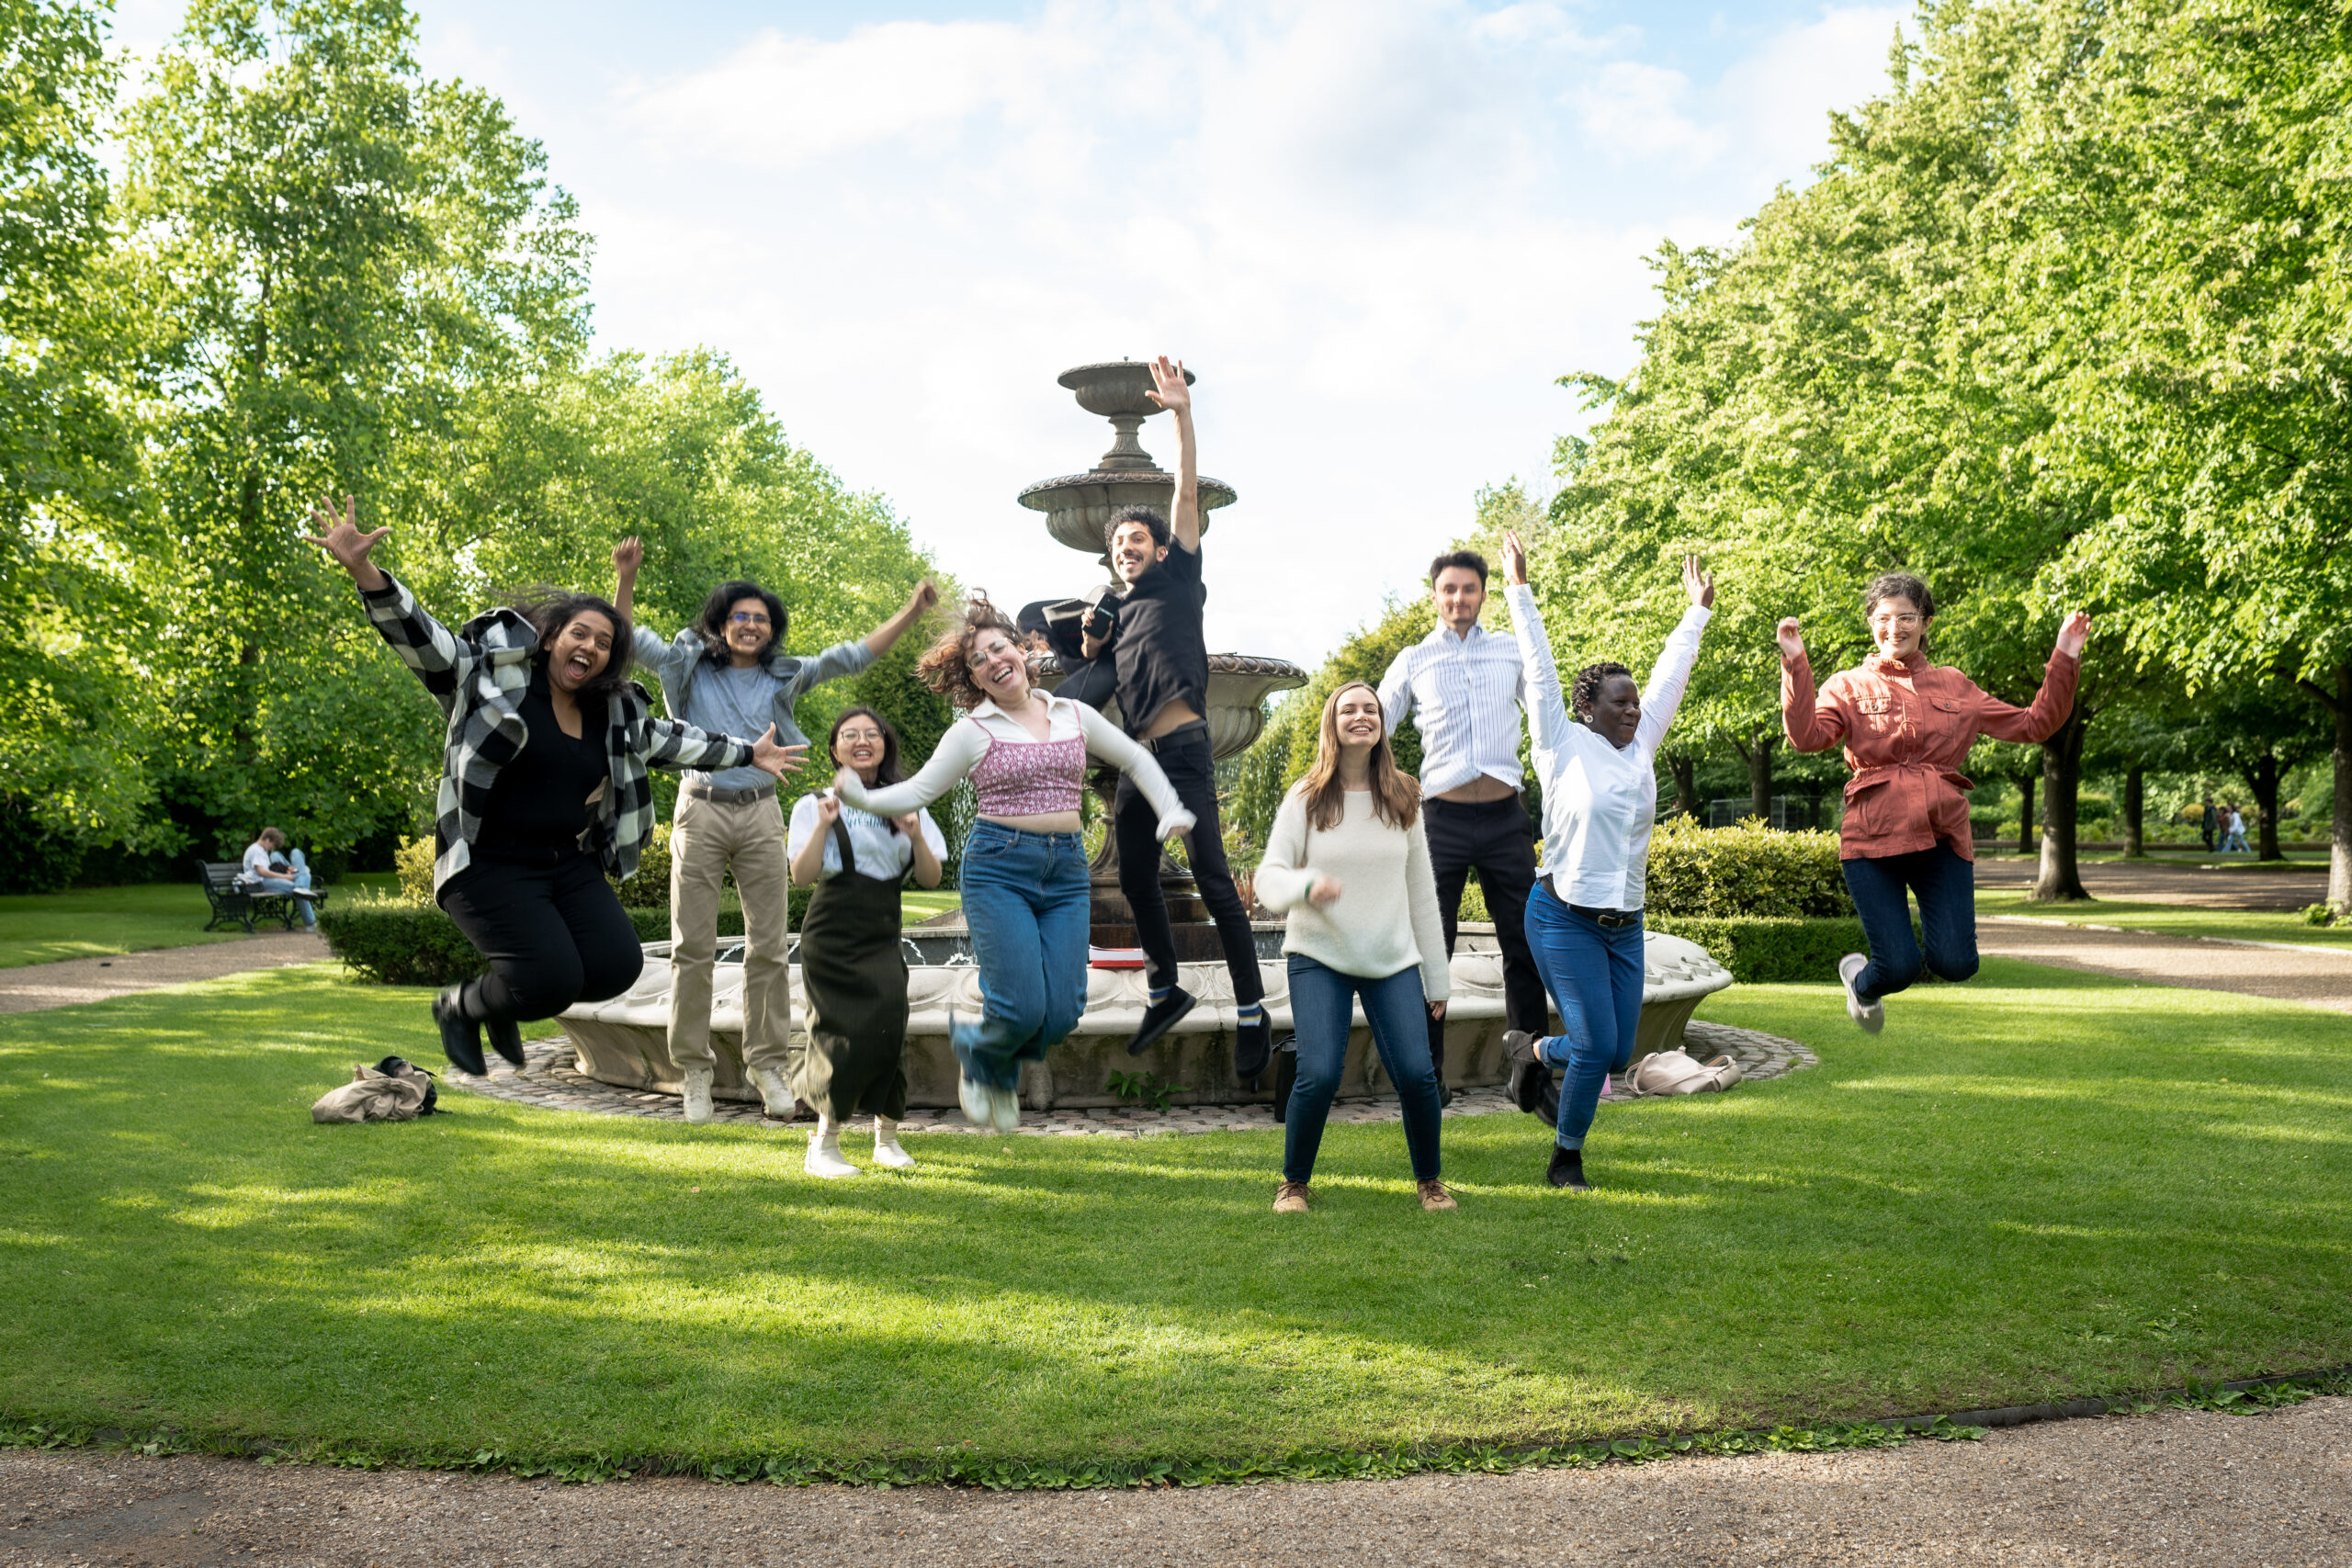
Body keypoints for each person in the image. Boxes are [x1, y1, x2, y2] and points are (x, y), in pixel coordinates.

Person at [301, 497, 800, 1077]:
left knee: (615, 967)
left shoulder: (611, 713)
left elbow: (675, 740)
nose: (590, 648)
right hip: (488, 863)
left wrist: (749, 752)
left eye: (604, 643)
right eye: (579, 634)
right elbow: (426, 641)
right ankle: (462, 1007)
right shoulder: (488, 681)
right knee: (548, 979)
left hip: (567, 864)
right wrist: (366, 572)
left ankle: (510, 998)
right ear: (549, 639)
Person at [836, 594, 1194, 1134]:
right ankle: (985, 1063)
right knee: (1023, 1006)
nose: (993, 661)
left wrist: (1169, 807)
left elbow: (1137, 757)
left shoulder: (1074, 713)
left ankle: (989, 1057)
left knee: (1066, 1010)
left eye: (998, 648)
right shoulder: (971, 731)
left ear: (1022, 650)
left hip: (1068, 872)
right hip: (998, 869)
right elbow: (918, 791)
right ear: (976, 680)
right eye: (978, 661)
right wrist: (861, 799)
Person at [613, 540, 936, 1125]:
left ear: (771, 630)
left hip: (761, 809)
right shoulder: (685, 664)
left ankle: (766, 1065)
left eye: (761, 620)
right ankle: (694, 1068)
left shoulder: (784, 675)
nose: (751, 626)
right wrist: (626, 578)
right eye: (741, 617)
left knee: (767, 946)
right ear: (720, 622)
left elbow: (852, 657)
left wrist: (911, 613)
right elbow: (625, 642)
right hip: (701, 806)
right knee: (692, 947)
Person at [1498, 535, 1714, 1192]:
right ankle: (1567, 1156)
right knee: (1595, 1046)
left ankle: (1530, 1051)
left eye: (1635, 703)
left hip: (1624, 924)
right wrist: (1519, 589)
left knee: (1616, 1051)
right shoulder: (1560, 745)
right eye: (1619, 703)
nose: (1633, 710)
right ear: (1587, 708)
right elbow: (1538, 667)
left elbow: (1672, 677)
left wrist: (1695, 612)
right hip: (1562, 916)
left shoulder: (1640, 747)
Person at [1779, 574, 2087, 1032]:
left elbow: (2035, 723)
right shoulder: (1847, 685)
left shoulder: (1956, 686)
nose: (1894, 628)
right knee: (1898, 967)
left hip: (1941, 838)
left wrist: (2065, 655)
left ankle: (1873, 977)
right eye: (1883, 618)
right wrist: (1796, 664)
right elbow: (1806, 737)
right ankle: (1861, 983)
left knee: (1957, 964)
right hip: (1871, 841)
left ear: (1925, 623)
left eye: (1906, 617)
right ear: (1870, 622)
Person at [1078, 356, 1270, 1076]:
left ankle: (1252, 1009)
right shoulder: (1118, 611)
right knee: (1133, 877)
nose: (1126, 551)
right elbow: (1095, 680)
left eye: (1136, 542)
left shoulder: (1180, 575)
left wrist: (1183, 416)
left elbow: (1185, 491)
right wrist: (1095, 643)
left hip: (1185, 749)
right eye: (1117, 545)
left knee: (1215, 881)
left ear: (1160, 548)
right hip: (1136, 762)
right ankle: (1165, 985)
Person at [1253, 682, 1456, 1214]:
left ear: (1382, 723)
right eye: (1349, 709)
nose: (1360, 716)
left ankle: (1430, 1183)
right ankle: (1293, 1183)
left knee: (1417, 1073)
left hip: (1391, 960)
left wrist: (1437, 978)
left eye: (1370, 709)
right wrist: (1306, 886)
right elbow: (1268, 881)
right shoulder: (1307, 797)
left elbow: (1420, 891)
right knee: (1318, 1073)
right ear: (1333, 724)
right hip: (1318, 956)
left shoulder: (1404, 796)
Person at [1377, 547, 1547, 1108]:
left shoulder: (1508, 652)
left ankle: (1529, 1074)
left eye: (1469, 589)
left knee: (1525, 945)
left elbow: (1547, 707)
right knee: (1432, 947)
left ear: (1482, 593)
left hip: (1505, 818)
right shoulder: (1414, 659)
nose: (1458, 598)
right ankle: (1429, 1077)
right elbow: (1374, 722)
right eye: (1449, 589)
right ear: (1434, 595)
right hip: (1440, 821)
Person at [787, 707, 945, 1179]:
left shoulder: (907, 802)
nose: (861, 741)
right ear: (835, 748)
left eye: (871, 734)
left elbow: (931, 878)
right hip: (831, 936)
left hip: (882, 933)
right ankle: (824, 1144)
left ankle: (887, 1139)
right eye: (849, 735)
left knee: (890, 1025)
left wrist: (915, 834)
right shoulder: (812, 803)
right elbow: (801, 876)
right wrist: (821, 825)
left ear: (884, 744)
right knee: (839, 1032)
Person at [238, 828, 320, 928]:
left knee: (303, 873)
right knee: (298, 889)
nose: (272, 848)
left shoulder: (261, 850)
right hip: (260, 883)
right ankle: (311, 923)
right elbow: (261, 872)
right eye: (273, 845)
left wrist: (285, 870)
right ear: (268, 839)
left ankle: (302, 885)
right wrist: (284, 876)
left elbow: (266, 870)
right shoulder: (256, 850)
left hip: (266, 880)